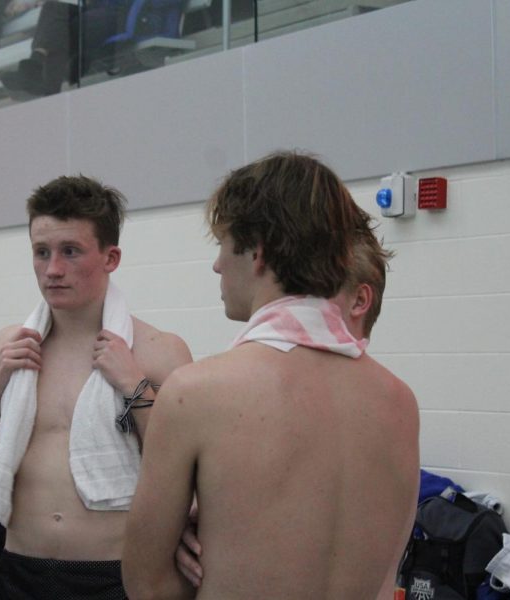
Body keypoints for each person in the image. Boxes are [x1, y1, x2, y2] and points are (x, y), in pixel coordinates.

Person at [122, 151, 420, 599]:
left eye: (222, 244)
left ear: (257, 251)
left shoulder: (196, 393)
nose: (217, 265)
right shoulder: (399, 400)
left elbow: (147, 587)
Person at [0, 175, 192, 599]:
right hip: (20, 569)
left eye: (71, 251)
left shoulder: (159, 352)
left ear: (111, 256)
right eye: (41, 252)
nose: (53, 270)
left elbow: (182, 478)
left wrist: (135, 387)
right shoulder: (8, 348)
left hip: (115, 573)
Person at [0, 0, 129, 98]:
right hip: (95, 10)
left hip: (115, 13)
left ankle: (38, 73)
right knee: (52, 10)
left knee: (58, 30)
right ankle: (37, 70)